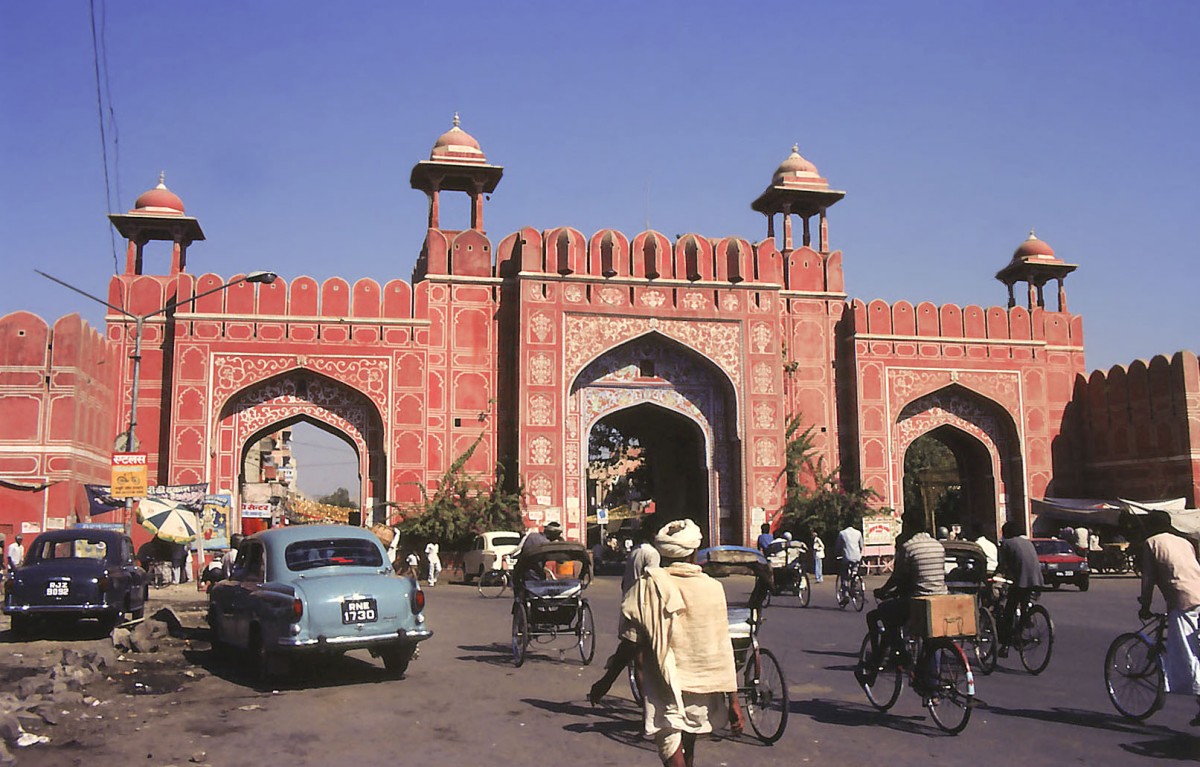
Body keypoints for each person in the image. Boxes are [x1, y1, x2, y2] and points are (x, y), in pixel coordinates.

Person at [621, 518, 743, 766]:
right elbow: (723, 648)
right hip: (702, 685)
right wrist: (733, 701)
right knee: (685, 747)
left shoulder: (647, 586)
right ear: (695, 552)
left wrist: (606, 679)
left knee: (674, 752)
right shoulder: (713, 588)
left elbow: (631, 642)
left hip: (664, 686)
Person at [861, 516, 946, 682]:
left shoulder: (909, 547)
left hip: (918, 600)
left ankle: (902, 654)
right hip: (941, 599)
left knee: (882, 614)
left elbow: (898, 577)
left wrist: (882, 591)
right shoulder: (938, 546)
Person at [589, 515, 662, 704]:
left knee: (636, 657)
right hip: (644, 607)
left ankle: (642, 702)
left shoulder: (637, 551)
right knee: (639, 655)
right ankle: (647, 703)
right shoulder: (652, 554)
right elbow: (653, 582)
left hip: (630, 604)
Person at [1138, 511, 1200, 726]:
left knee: (1186, 654)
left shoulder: (1151, 542)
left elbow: (1149, 579)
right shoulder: (1184, 542)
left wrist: (1144, 606)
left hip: (1184, 601)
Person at [995, 520, 1044, 655]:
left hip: (1021, 581)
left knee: (1009, 610)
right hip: (1037, 580)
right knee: (1023, 607)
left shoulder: (1007, 544)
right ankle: (1020, 630)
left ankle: (1005, 644)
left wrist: (995, 577)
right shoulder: (1027, 542)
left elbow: (1003, 566)